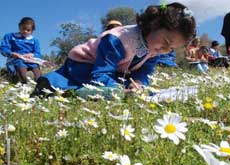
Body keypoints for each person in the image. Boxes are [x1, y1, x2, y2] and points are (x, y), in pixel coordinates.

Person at [31, 2, 196, 98]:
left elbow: (145, 71)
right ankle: (55, 86)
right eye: (166, 41)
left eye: (172, 48)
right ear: (154, 23)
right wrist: (120, 89)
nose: (165, 50)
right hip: (85, 65)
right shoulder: (118, 39)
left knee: (137, 92)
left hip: (113, 71)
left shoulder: (156, 48)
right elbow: (100, 74)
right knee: (101, 88)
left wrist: (138, 83)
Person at [0, 17, 42, 83]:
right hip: (16, 59)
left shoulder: (34, 40)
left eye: (28, 30)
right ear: (19, 26)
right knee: (21, 67)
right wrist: (12, 53)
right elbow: (3, 48)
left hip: (31, 60)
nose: (25, 31)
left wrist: (32, 54)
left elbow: (38, 53)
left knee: (36, 70)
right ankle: (23, 83)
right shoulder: (10, 36)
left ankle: (39, 86)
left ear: (32, 31)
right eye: (23, 29)